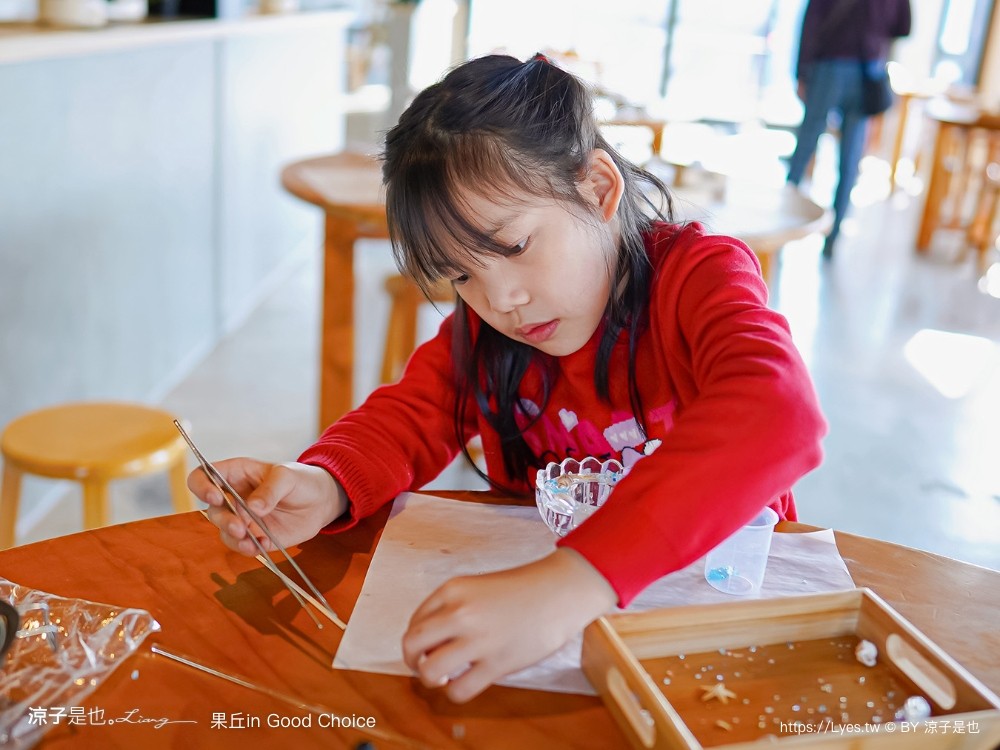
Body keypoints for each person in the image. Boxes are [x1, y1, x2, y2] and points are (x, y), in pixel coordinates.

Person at [189, 54, 827, 703]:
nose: (502, 302)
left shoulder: (695, 278)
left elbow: (778, 413)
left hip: (718, 632)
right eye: (462, 276)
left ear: (598, 190)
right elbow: (410, 416)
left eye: (515, 246)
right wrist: (324, 484)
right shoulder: (489, 336)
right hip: (547, 654)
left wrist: (572, 581)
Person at [787, 0, 911, 259]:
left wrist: (802, 71)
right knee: (850, 158)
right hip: (868, 70)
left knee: (807, 145)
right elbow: (903, 26)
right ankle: (834, 237)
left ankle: (783, 216)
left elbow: (812, 20)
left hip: (830, 65)